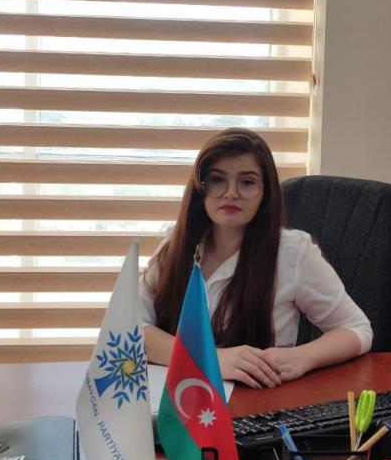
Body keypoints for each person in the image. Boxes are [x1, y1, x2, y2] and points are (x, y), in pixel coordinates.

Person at [140, 127, 373, 389]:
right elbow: (131, 329)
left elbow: (357, 329)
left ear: (265, 193)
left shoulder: (293, 252)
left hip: (257, 400)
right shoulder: (176, 243)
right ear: (200, 188)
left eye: (247, 182)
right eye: (217, 179)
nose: (231, 193)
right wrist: (212, 359)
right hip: (175, 400)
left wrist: (304, 356)